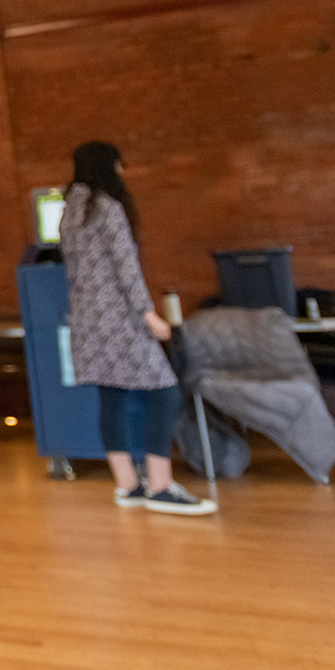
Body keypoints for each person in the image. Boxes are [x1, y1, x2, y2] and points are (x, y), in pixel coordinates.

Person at [59, 141, 216, 516]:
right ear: (107, 167)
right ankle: (160, 487)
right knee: (164, 393)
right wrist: (148, 315)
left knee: (112, 399)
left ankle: (127, 485)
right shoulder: (108, 209)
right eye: (119, 165)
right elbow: (125, 268)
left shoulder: (69, 213)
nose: (123, 172)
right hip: (120, 319)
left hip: (87, 322)